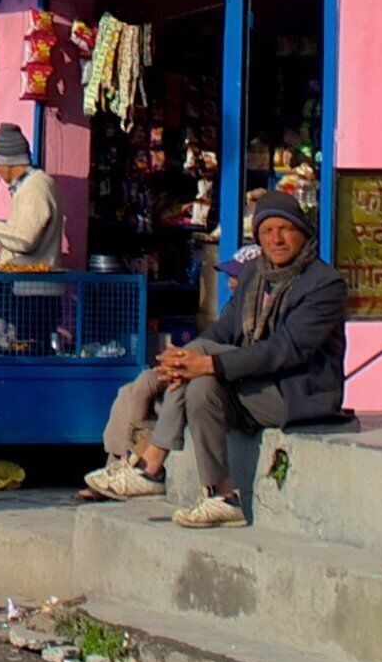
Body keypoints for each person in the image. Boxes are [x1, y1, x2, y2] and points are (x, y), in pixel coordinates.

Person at [82, 190, 349, 529]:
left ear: (303, 232)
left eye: (286, 230)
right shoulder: (255, 274)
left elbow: (287, 349)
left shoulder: (325, 284)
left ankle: (150, 465)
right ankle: (221, 497)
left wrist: (207, 361)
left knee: (204, 364)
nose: (277, 239)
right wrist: (182, 358)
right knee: (200, 385)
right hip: (252, 386)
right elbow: (223, 330)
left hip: (297, 394)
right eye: (267, 232)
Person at [0, 123, 63, 272]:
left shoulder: (35, 187)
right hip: (26, 284)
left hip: (32, 288)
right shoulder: (29, 186)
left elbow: (23, 240)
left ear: (7, 163)